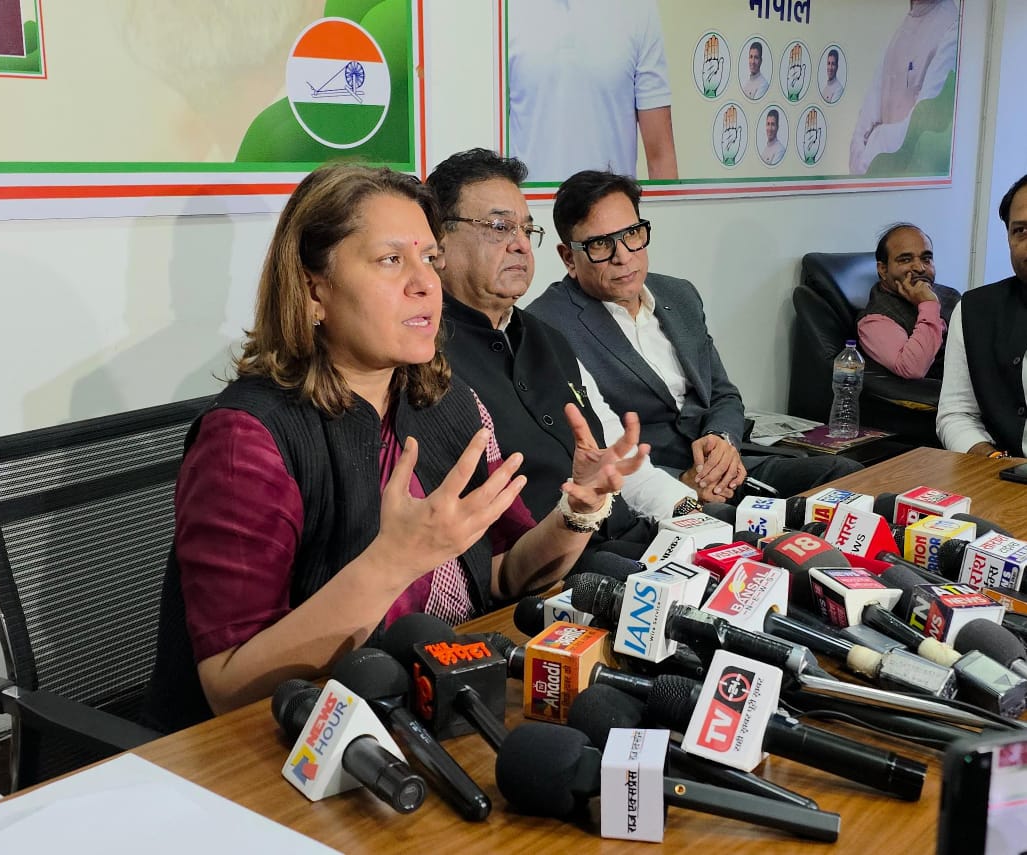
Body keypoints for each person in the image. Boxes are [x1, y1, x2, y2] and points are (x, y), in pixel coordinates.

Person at [142, 164, 644, 731]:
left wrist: (578, 511)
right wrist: (394, 562)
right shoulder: (247, 438)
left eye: (429, 258)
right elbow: (229, 686)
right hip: (279, 747)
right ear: (313, 288)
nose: (425, 283)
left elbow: (501, 578)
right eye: (389, 260)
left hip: (434, 704)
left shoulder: (447, 400)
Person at [526, 169, 863, 502]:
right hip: (647, 489)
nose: (623, 256)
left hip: (727, 466)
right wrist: (680, 487)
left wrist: (722, 439)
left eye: (632, 234)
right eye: (601, 244)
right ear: (569, 257)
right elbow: (581, 449)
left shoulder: (679, 295)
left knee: (847, 476)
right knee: (736, 527)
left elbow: (722, 393)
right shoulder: (546, 326)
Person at [427, 148, 699, 556]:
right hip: (551, 567)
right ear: (439, 244)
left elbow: (615, 455)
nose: (521, 245)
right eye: (500, 227)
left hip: (633, 535)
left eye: (525, 229)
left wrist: (691, 514)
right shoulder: (425, 359)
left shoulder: (547, 338)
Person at [507, 0, 678, 182]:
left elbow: (661, 157)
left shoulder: (639, 8)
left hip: (612, 199)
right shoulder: (503, 10)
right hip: (528, 200)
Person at [937, 174, 1027, 459]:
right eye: (1021, 230)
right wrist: (992, 461)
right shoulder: (975, 310)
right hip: (1004, 476)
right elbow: (956, 414)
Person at [849, 0, 958, 174]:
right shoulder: (902, 26)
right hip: (875, 176)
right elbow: (866, 118)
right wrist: (859, 160)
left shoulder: (951, 28)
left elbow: (919, 129)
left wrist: (873, 144)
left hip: (909, 177)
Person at [857, 223, 960, 380]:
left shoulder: (949, 294)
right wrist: (929, 305)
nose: (920, 268)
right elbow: (913, 369)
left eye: (926, 259)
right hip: (938, 392)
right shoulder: (874, 320)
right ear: (883, 269)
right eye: (905, 259)